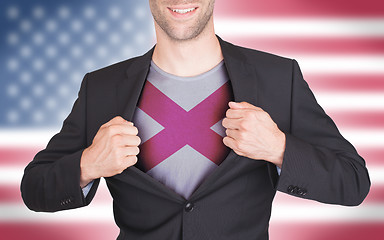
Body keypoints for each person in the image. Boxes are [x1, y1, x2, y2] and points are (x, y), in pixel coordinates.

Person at [21, 0, 370, 239]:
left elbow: (353, 181)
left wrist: (280, 148)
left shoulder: (279, 78)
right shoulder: (102, 87)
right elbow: (34, 188)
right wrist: (87, 165)